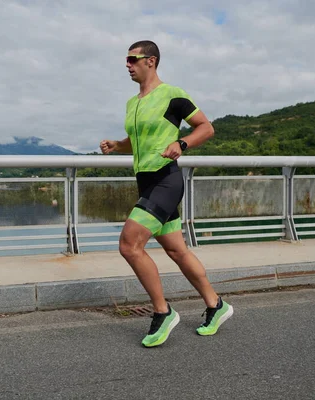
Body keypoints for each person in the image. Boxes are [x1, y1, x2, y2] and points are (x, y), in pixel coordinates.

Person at [100, 40, 233, 347]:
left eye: (133, 59)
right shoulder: (132, 103)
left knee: (129, 244)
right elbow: (139, 141)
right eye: (126, 60)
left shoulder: (172, 95)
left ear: (152, 61)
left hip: (166, 180)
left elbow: (206, 127)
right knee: (177, 251)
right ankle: (216, 305)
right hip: (146, 182)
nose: (128, 65)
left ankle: (163, 312)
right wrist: (117, 146)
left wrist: (182, 144)